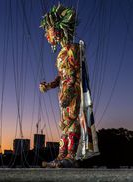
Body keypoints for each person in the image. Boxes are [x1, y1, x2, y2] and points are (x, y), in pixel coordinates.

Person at [39, 4, 99, 168]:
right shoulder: (60, 53)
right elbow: (62, 76)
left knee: (72, 121)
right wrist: (50, 86)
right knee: (64, 125)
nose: (46, 34)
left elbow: (73, 74)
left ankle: (71, 156)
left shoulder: (73, 49)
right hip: (64, 92)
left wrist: (69, 92)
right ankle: (61, 156)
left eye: (48, 30)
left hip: (72, 92)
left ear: (58, 30)